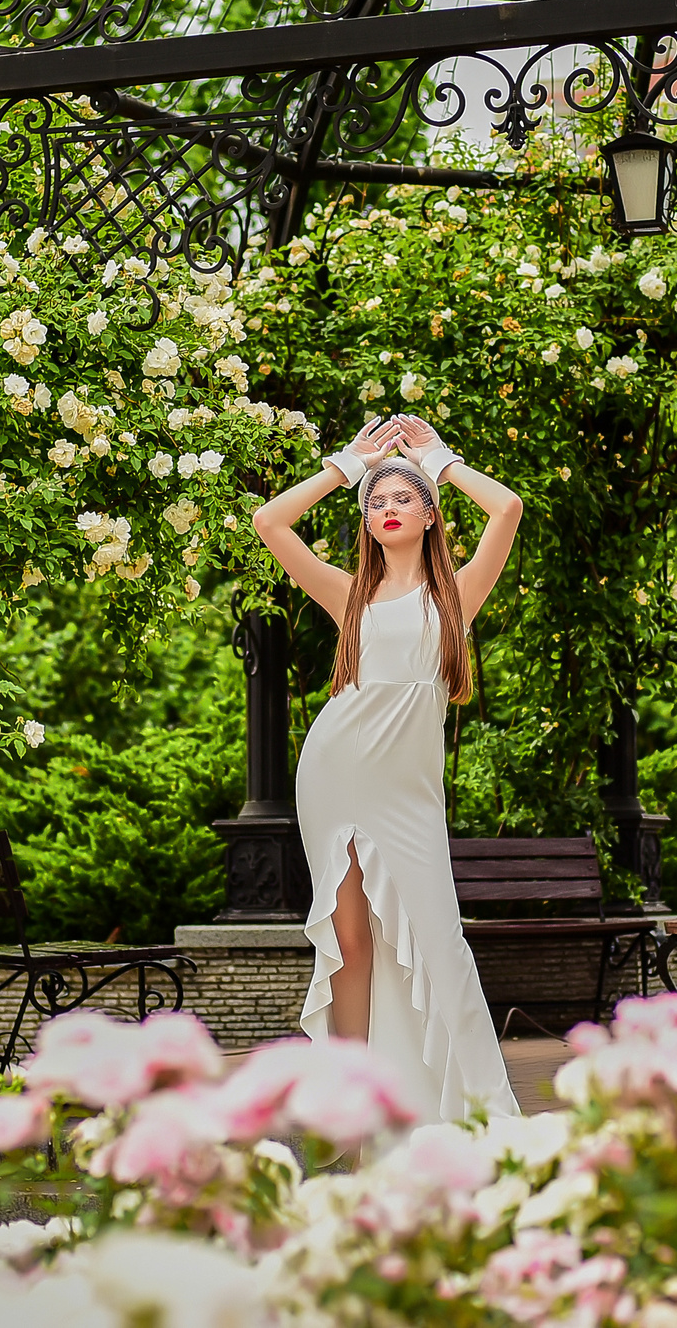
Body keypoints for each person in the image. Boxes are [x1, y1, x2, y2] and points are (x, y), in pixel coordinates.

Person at [249, 413, 525, 1119]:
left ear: (431, 514)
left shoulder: (455, 596)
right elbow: (270, 522)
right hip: (335, 773)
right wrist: (346, 465)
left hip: (407, 795)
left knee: (438, 937)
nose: (388, 509)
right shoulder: (349, 596)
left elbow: (508, 508)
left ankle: (475, 1110)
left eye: (402, 499)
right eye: (376, 503)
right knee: (349, 942)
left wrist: (440, 459)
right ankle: (351, 1121)